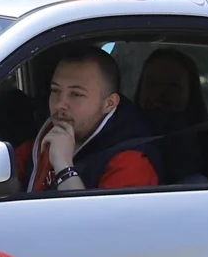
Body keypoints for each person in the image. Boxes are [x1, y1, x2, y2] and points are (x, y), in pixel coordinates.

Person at [15, 47, 161, 192]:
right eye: (55, 91)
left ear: (109, 103)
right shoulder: (47, 137)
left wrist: (64, 167)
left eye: (76, 94)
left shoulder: (131, 162)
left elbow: (93, 216)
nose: (60, 104)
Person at [134, 48, 208, 184]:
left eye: (173, 86)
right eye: (152, 83)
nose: (159, 93)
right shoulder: (121, 133)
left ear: (190, 92)